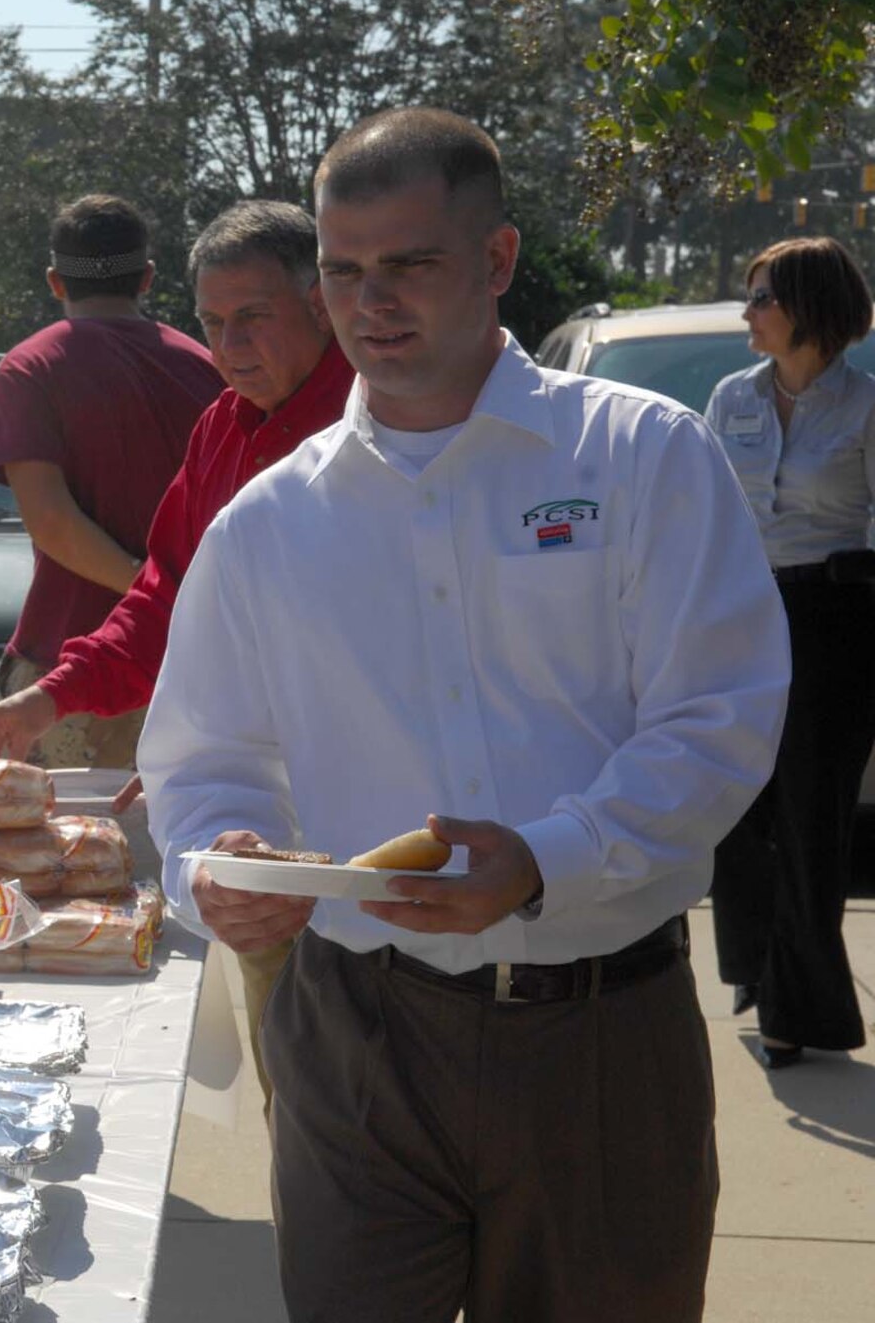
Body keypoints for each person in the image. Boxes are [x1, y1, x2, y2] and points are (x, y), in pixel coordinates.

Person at [142, 108, 790, 1322]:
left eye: (409, 265)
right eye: (342, 271)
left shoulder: (639, 457)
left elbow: (717, 718)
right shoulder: (267, 524)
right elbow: (204, 759)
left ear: (493, 262)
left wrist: (542, 862)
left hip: (596, 1031)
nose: (370, 303)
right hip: (355, 1037)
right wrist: (213, 862)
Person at [0, 200, 352, 1111]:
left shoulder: (375, 420)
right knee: (296, 1087)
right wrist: (53, 697)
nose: (229, 344)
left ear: (324, 301)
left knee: (364, 1094)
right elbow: (167, 598)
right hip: (263, 839)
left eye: (254, 317)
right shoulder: (223, 422)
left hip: (370, 829)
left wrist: (207, 743)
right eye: (214, 321)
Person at [0, 193, 223, 769]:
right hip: (189, 660)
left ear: (56, 282)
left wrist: (145, 592)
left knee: (28, 846)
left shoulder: (30, 367)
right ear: (149, 277)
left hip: (65, 667)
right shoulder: (206, 365)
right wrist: (173, 606)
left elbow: (53, 523)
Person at [705, 235, 875, 1068]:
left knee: (810, 821)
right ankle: (762, 971)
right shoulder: (730, 397)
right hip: (740, 614)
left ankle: (794, 1004)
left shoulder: (869, 405)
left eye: (763, 297)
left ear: (809, 308)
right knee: (736, 814)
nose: (748, 312)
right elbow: (704, 517)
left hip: (835, 620)